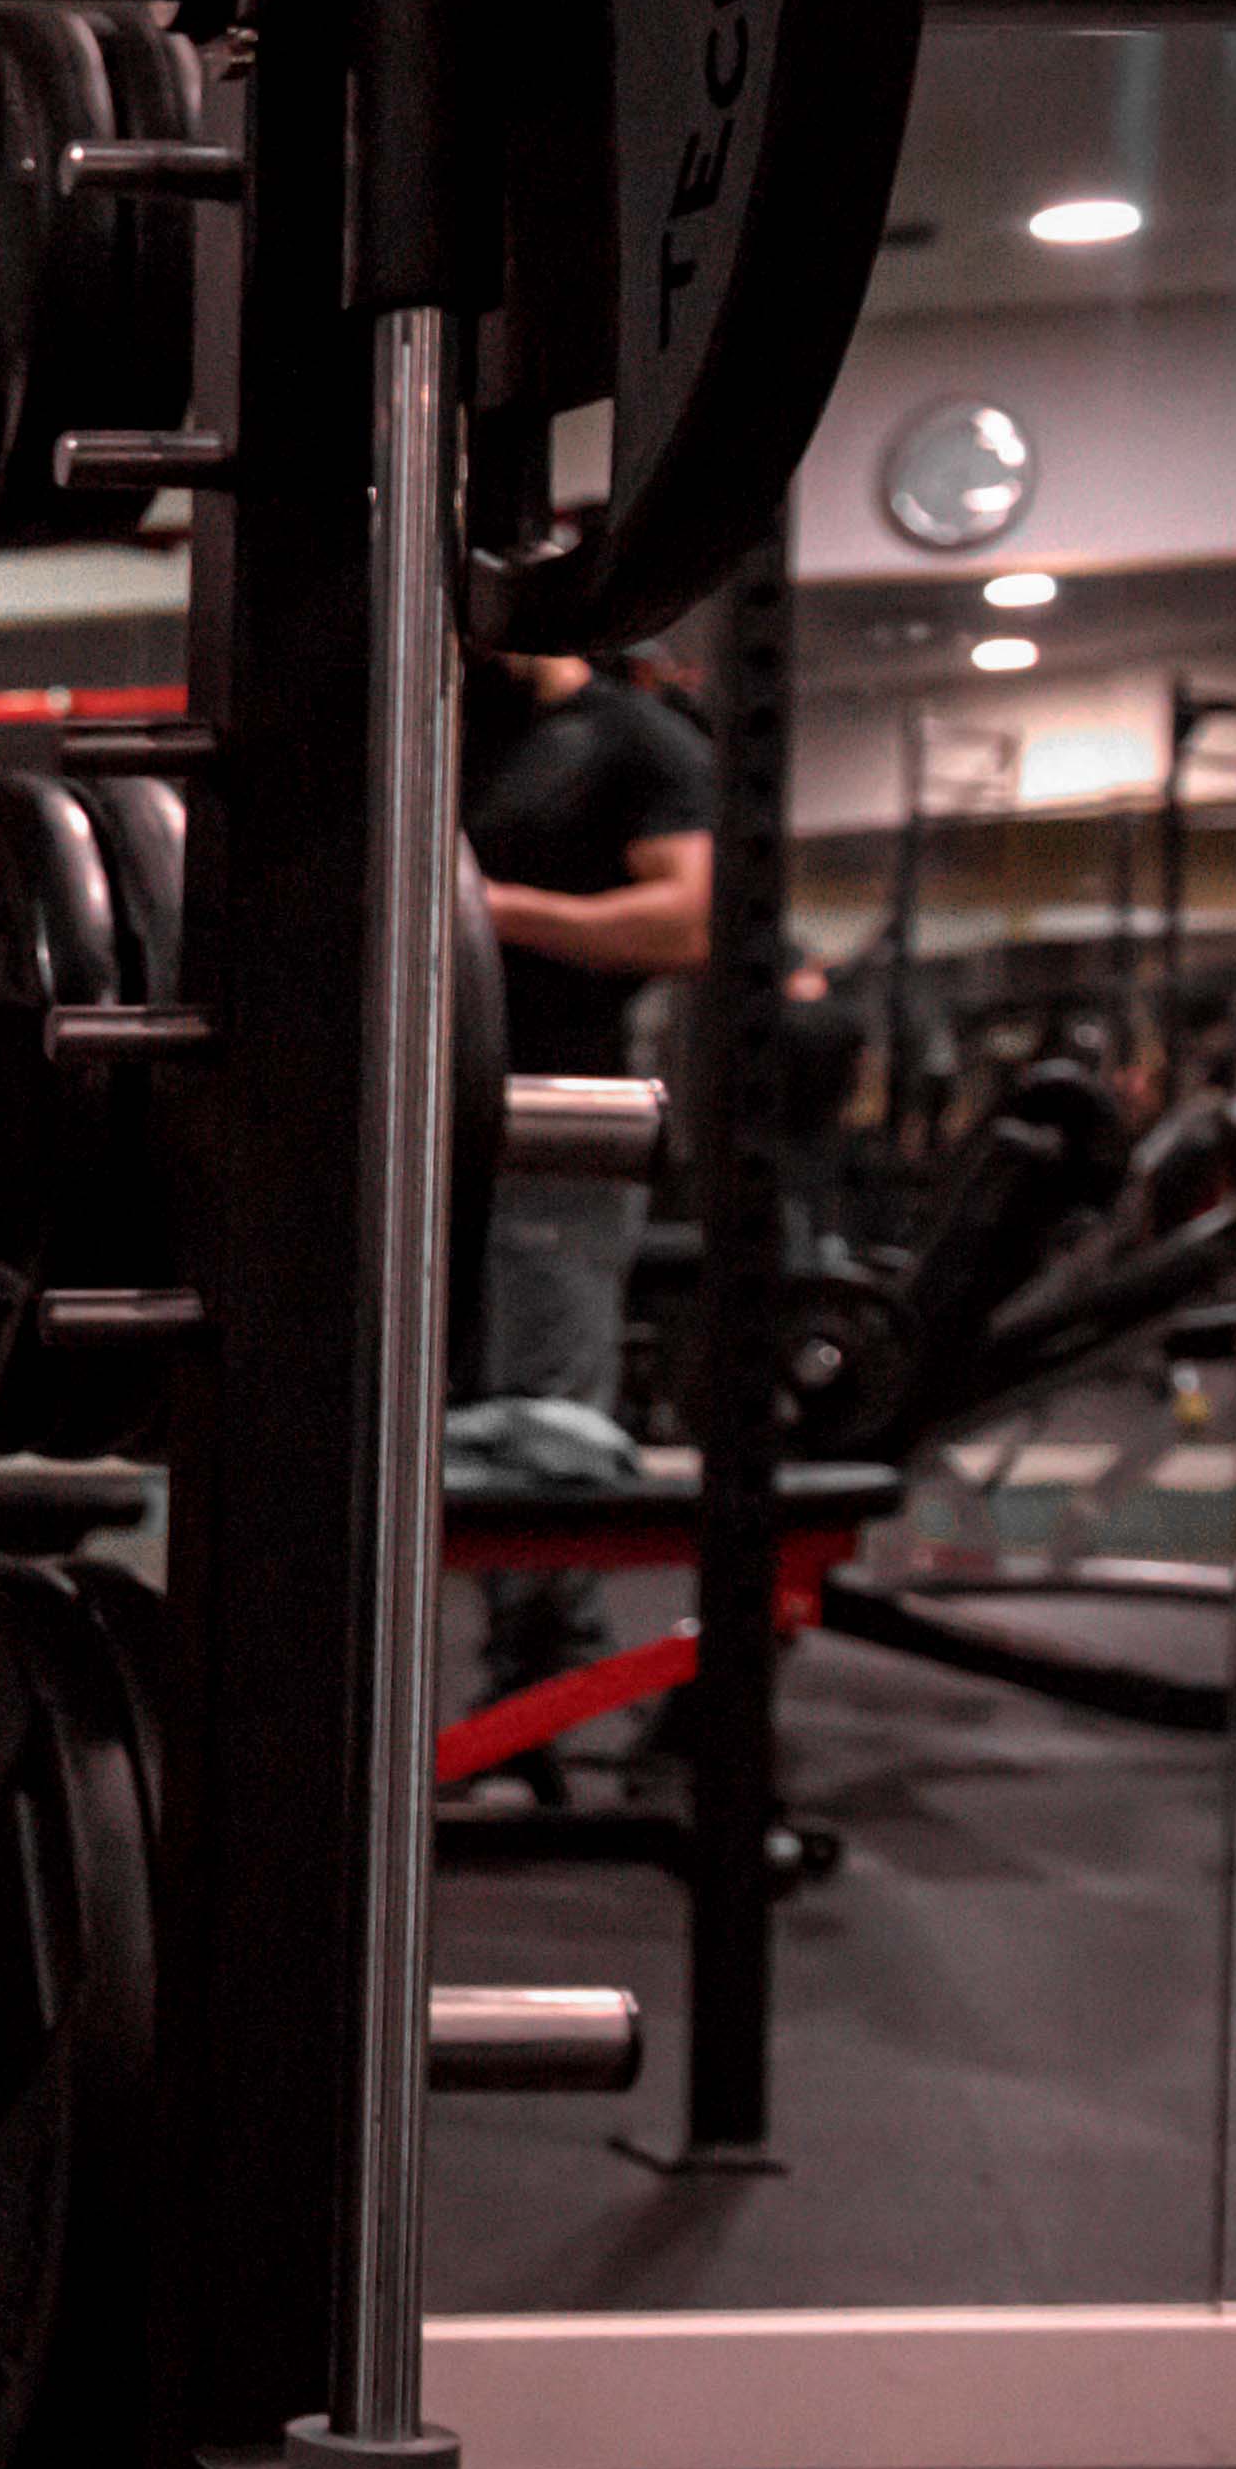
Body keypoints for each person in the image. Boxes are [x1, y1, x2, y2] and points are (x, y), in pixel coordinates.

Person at [461, 646, 713, 1727]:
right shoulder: (463, 734)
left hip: (565, 1127)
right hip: (445, 1119)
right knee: (461, 1426)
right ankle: (508, 1692)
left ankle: (549, 1702)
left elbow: (689, 919)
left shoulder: (635, 738)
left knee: (547, 1423)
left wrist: (490, 910)